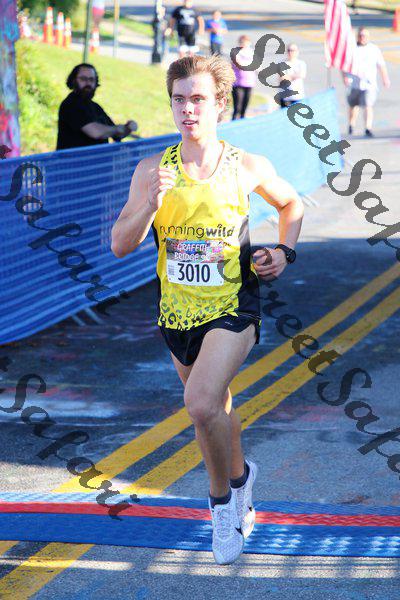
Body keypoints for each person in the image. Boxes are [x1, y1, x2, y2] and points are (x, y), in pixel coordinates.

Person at [111, 55, 303, 565]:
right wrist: (149, 205)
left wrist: (284, 251)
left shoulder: (246, 166)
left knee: (199, 404)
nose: (188, 109)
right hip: (176, 314)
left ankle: (221, 506)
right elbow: (120, 244)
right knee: (215, 410)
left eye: (198, 99)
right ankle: (242, 479)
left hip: (233, 307)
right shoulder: (152, 171)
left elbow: (291, 205)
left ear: (220, 104)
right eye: (179, 99)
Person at [57, 64, 138, 150]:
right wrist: (117, 129)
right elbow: (95, 132)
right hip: (73, 158)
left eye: (92, 79)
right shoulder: (70, 104)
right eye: (83, 79)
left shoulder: (96, 107)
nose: (88, 83)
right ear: (73, 80)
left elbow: (116, 134)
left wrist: (128, 128)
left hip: (97, 158)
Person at [345, 27, 390, 137]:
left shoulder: (374, 49)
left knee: (368, 105)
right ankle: (351, 125)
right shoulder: (352, 49)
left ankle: (367, 128)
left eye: (364, 36)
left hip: (369, 84)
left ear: (368, 37)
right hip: (354, 83)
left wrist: (385, 78)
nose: (362, 37)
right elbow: (344, 65)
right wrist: (345, 77)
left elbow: (381, 65)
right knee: (353, 105)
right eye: (360, 35)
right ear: (357, 36)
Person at [231, 35, 256, 120]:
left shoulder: (252, 53)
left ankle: (242, 123)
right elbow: (239, 64)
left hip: (249, 83)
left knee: (244, 108)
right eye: (242, 42)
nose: (244, 44)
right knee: (237, 107)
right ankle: (234, 123)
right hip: (238, 84)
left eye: (246, 42)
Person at [279, 43, 307, 108]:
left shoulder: (301, 63)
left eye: (293, 50)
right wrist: (295, 76)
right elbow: (282, 78)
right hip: (285, 97)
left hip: (298, 96)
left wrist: (288, 76)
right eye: (289, 50)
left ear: (297, 52)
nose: (290, 52)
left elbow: (302, 75)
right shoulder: (282, 64)